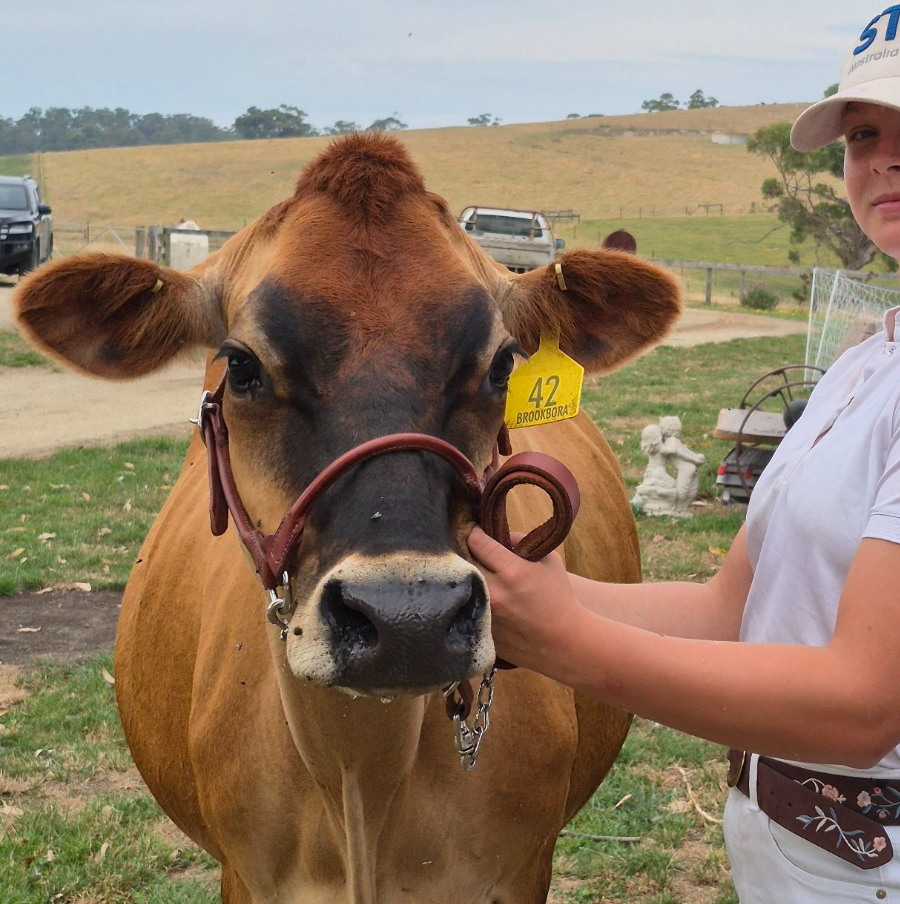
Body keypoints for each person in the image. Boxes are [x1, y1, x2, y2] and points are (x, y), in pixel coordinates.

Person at [468, 10, 900, 901]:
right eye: (865, 133)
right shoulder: (867, 360)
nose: (885, 159)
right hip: (799, 846)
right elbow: (728, 607)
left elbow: (863, 705)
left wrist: (568, 641)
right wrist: (518, 596)